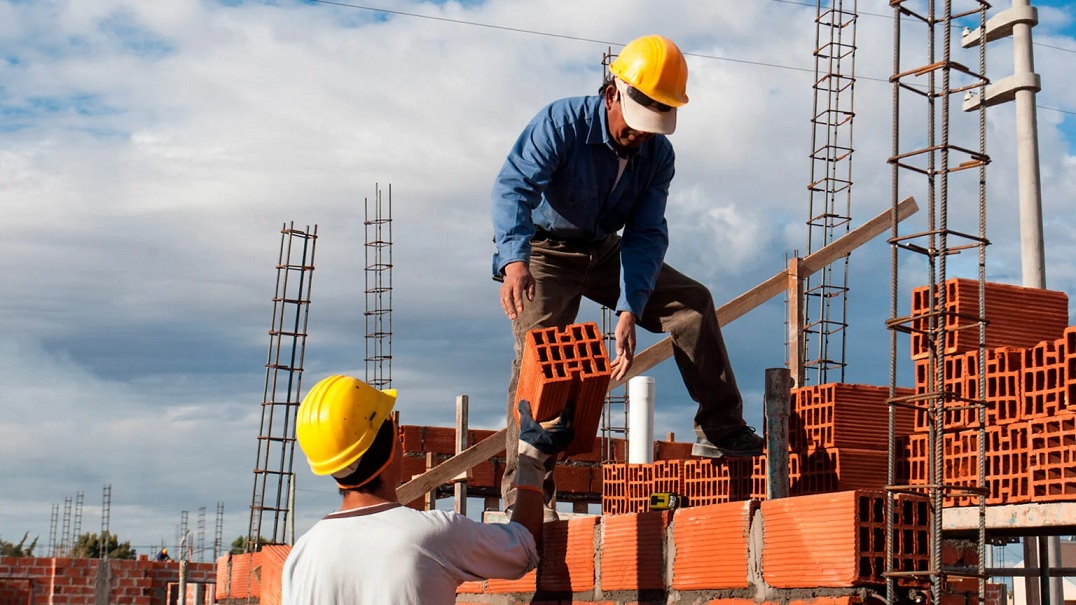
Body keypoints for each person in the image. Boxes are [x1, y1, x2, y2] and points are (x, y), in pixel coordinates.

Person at [490, 34, 765, 512]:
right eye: (637, 122)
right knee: (542, 359)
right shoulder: (562, 123)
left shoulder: (658, 156)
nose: (641, 134)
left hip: (604, 249)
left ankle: (722, 430)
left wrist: (628, 309)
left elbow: (646, 234)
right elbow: (513, 188)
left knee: (691, 305)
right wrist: (515, 260)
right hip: (545, 252)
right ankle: (527, 493)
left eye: (654, 124)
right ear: (613, 93)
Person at [281, 375, 574, 605]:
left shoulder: (301, 555)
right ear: (390, 447)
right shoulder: (428, 535)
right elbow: (523, 549)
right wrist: (531, 461)